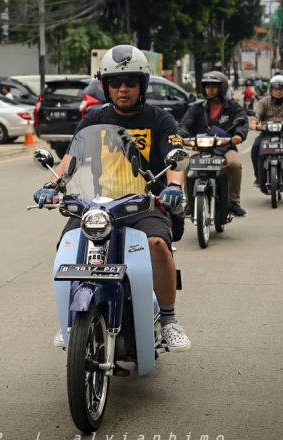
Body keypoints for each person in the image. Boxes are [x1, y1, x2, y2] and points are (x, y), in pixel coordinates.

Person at [33, 44, 191, 352]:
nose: (122, 89)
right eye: (115, 82)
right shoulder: (94, 118)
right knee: (68, 246)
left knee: (157, 245)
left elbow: (176, 159)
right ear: (106, 86)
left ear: (142, 85)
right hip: (99, 204)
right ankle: (71, 318)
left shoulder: (160, 119)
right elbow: (71, 159)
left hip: (144, 203)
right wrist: (51, 186)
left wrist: (174, 187)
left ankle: (169, 319)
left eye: (130, 82)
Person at [179, 71, 249, 217]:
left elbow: (242, 121)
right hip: (200, 147)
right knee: (187, 164)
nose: (210, 89)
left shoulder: (233, 107)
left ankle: (233, 202)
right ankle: (190, 204)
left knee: (235, 164)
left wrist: (238, 135)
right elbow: (185, 124)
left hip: (225, 148)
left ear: (222, 88)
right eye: (207, 86)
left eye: (214, 86)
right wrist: (180, 135)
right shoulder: (197, 108)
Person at [249, 75, 283, 184]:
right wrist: (253, 122)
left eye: (281, 89)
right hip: (266, 134)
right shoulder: (264, 101)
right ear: (271, 90)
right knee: (255, 147)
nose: (278, 92)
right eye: (275, 89)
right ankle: (258, 176)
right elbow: (257, 113)